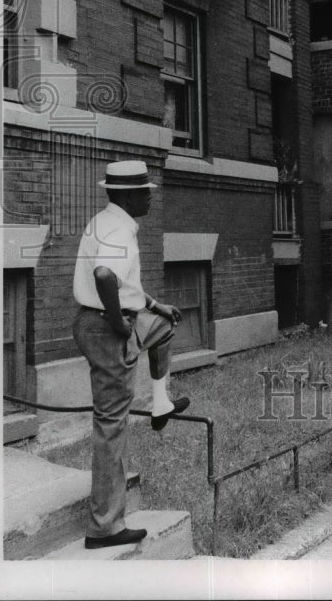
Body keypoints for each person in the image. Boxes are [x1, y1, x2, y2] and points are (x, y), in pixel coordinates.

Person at [72, 159, 190, 550]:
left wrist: (155, 307)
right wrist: (118, 323)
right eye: (144, 192)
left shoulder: (108, 221)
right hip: (107, 328)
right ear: (125, 195)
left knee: (164, 327)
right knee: (111, 425)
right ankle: (104, 527)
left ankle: (160, 405)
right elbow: (105, 276)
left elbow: (124, 283)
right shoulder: (119, 229)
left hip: (109, 318)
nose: (149, 198)